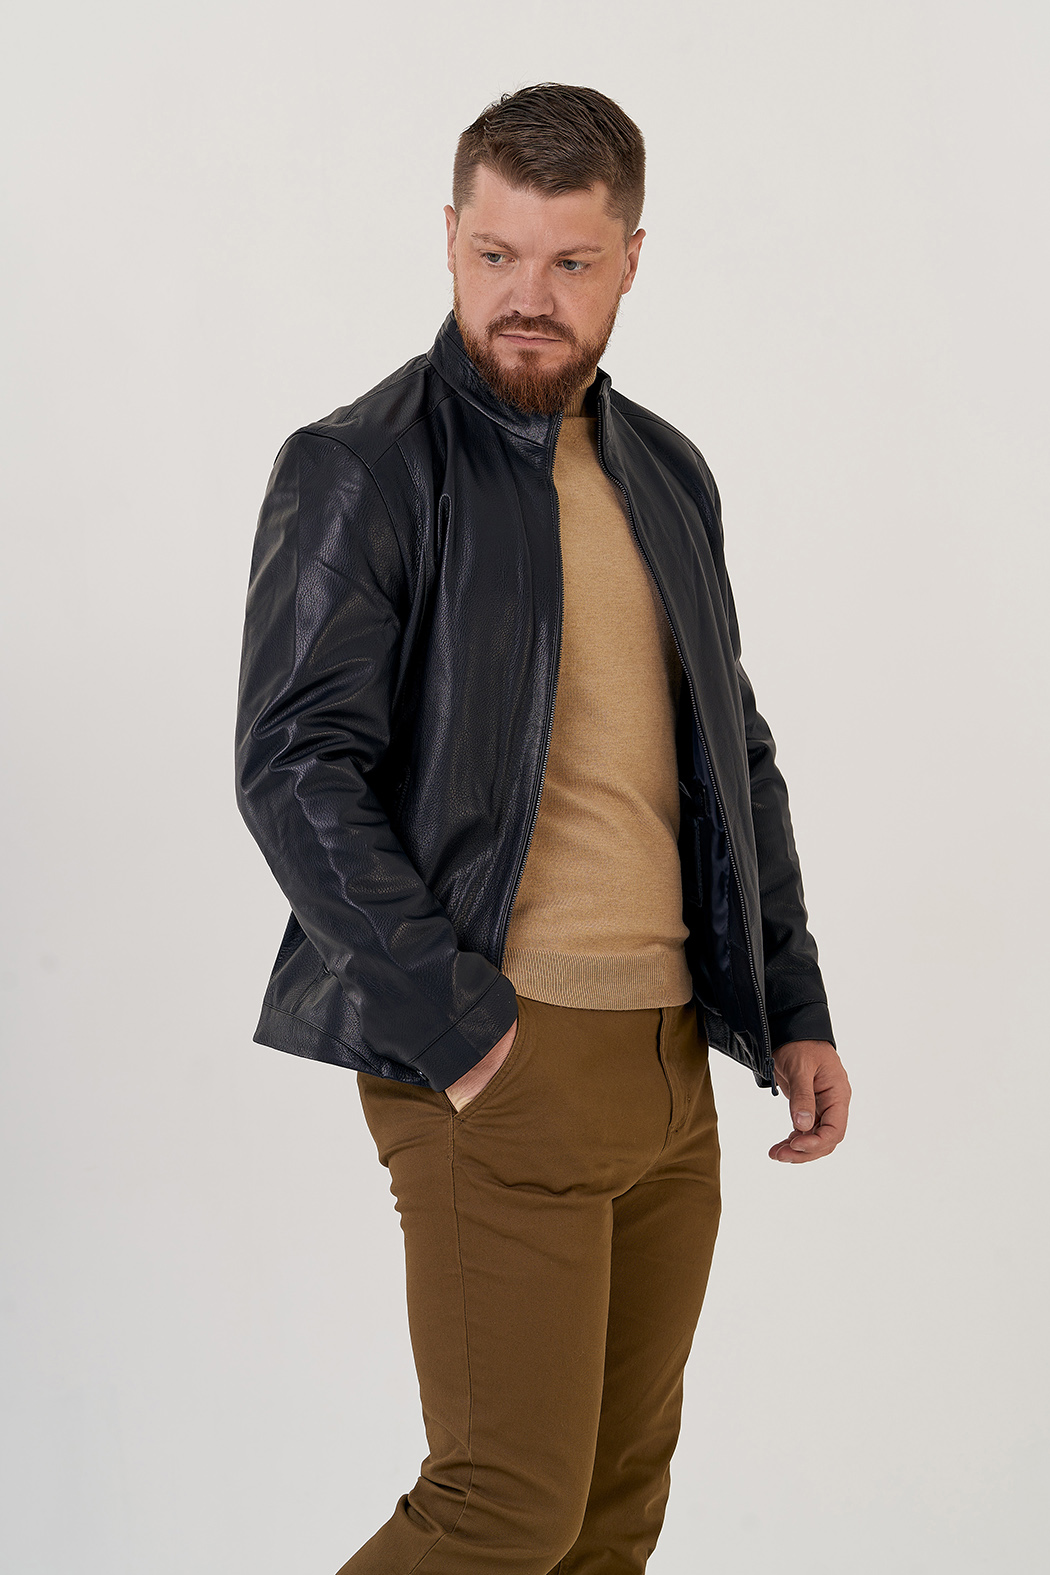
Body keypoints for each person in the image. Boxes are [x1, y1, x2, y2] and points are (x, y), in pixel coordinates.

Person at [235, 81, 851, 1575]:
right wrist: (459, 1029)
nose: (528, 297)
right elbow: (295, 764)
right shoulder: (365, 466)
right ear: (450, 237)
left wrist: (792, 1003)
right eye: (496, 255)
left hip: (669, 1057)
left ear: (631, 256)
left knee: (613, 1512)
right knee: (504, 1508)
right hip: (495, 1046)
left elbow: (733, 754)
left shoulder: (667, 472)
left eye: (570, 262)